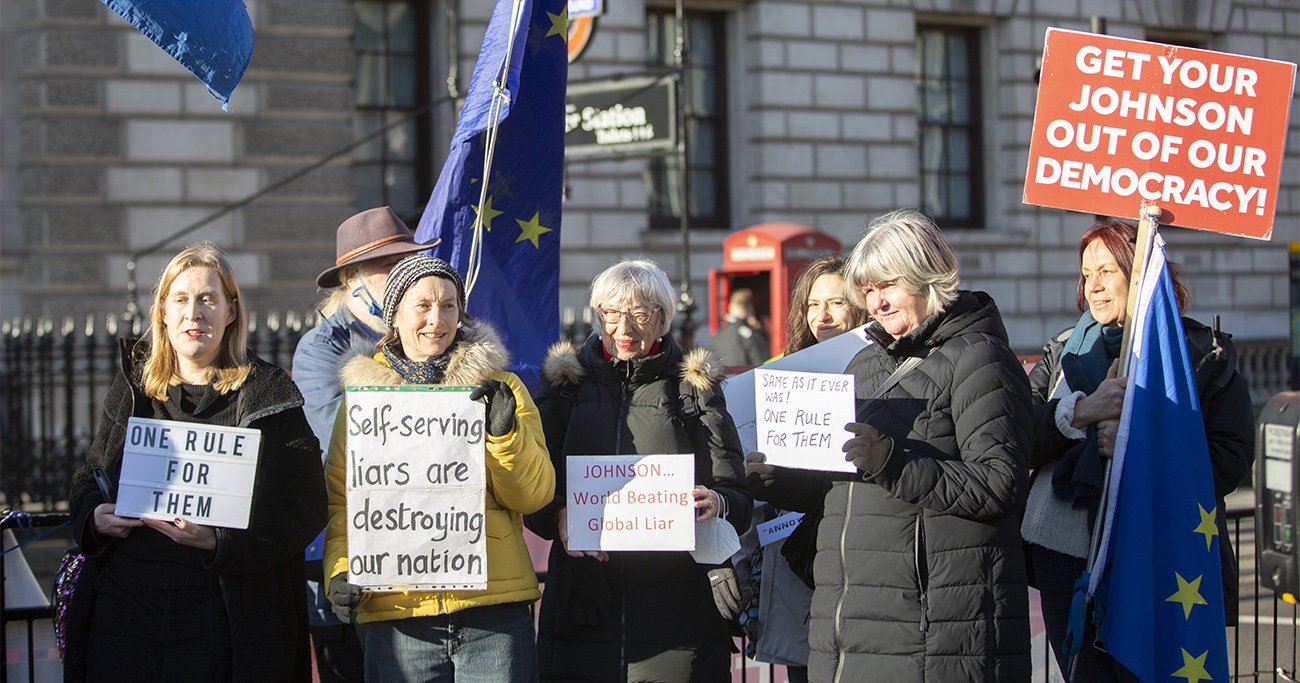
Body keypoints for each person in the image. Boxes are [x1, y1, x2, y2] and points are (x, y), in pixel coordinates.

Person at [747, 209, 1034, 682]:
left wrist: (896, 464)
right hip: (849, 624)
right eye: (869, 290)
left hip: (934, 630)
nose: (876, 302)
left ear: (927, 278)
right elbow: (841, 484)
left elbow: (999, 484)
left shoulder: (981, 358)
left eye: (888, 286)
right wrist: (780, 480)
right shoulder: (864, 362)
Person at [65, 242, 327, 682]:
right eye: (181, 300)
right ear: (163, 313)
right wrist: (94, 518)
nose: (195, 313)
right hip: (125, 614)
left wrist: (218, 542)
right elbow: (88, 476)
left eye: (209, 299)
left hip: (223, 620)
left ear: (230, 312)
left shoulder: (268, 395)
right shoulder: (133, 389)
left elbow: (305, 507)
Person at [1023, 219, 1255, 680]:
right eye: (1086, 274)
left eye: (1107, 271)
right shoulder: (1063, 351)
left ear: (1141, 271)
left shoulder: (1199, 354)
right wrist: (1082, 412)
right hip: (1064, 557)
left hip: (1154, 551)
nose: (1094, 286)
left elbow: (1230, 456)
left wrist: (1134, 448)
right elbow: (1017, 434)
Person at [322, 254, 554, 682]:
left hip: (493, 615)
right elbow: (342, 504)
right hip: (400, 612)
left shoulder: (501, 388)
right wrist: (340, 570)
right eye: (423, 306)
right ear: (395, 316)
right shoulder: (362, 403)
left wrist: (503, 436)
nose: (437, 319)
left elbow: (534, 495)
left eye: (449, 305)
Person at [526, 259, 752, 682]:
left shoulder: (695, 391)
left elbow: (738, 497)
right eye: (611, 314)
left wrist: (716, 502)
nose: (623, 328)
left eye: (640, 313)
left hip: (677, 611)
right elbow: (533, 490)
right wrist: (557, 516)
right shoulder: (565, 390)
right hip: (583, 605)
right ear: (597, 316)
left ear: (663, 319)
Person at [292, 206, 437, 681]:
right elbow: (340, 437)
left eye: (409, 264)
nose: (405, 276)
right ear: (351, 276)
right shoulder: (320, 349)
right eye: (389, 267)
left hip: (420, 551)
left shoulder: (423, 338)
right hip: (345, 556)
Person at [729, 256, 868, 683]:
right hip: (791, 560)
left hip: (860, 555)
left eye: (836, 303)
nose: (822, 316)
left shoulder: (883, 373)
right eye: (812, 304)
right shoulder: (775, 374)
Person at [711, 288, 770, 368]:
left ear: (730, 307)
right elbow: (763, 364)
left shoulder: (718, 335)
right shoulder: (750, 335)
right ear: (750, 309)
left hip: (725, 379)